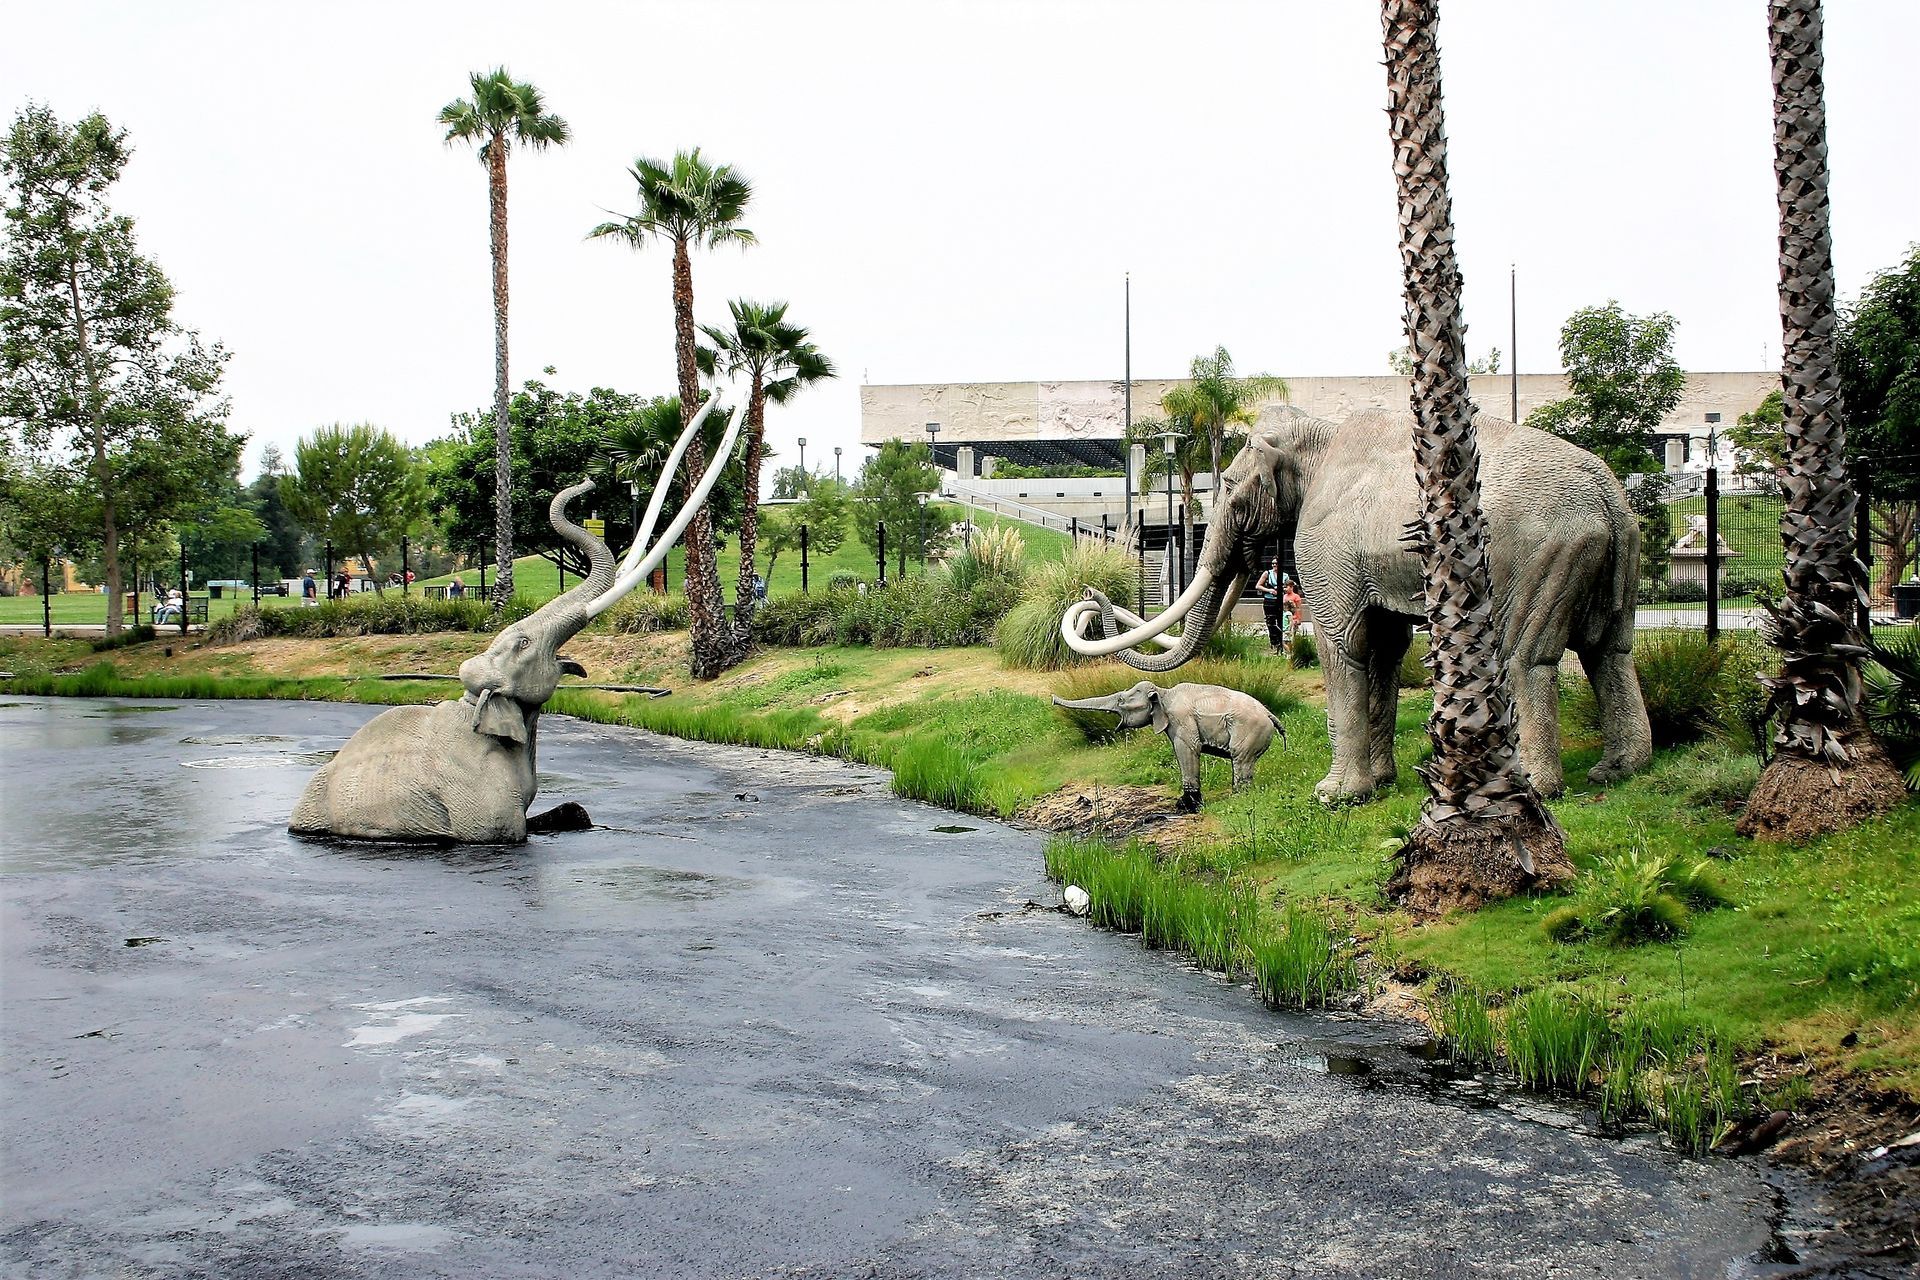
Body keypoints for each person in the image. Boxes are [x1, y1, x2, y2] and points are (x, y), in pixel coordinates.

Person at [1256, 557, 1286, 651]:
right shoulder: (1267, 573)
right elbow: (1258, 586)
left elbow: (1288, 587)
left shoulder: (1285, 575)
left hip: (1280, 601)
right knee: (1270, 621)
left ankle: (1282, 642)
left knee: (1281, 621)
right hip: (1269, 600)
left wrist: (1281, 589)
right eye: (1273, 563)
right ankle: (1274, 642)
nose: (1274, 565)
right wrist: (1269, 590)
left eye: (1276, 563)